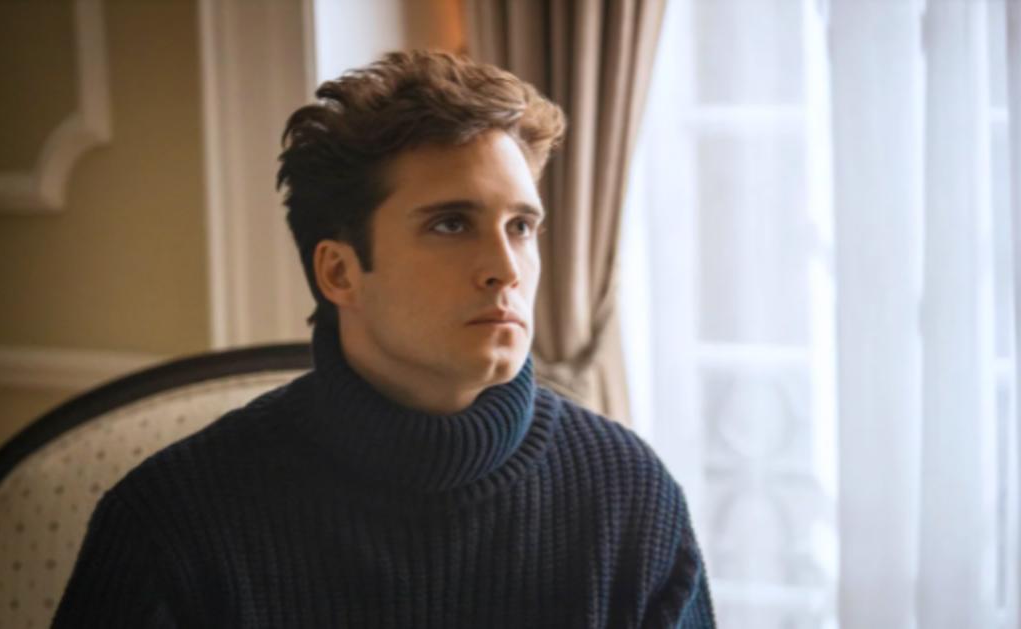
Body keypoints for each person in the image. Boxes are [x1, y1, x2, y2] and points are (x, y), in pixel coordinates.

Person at [53, 50, 715, 628]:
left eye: (520, 227)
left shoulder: (631, 497)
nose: (506, 268)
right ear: (339, 273)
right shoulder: (170, 523)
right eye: (451, 224)